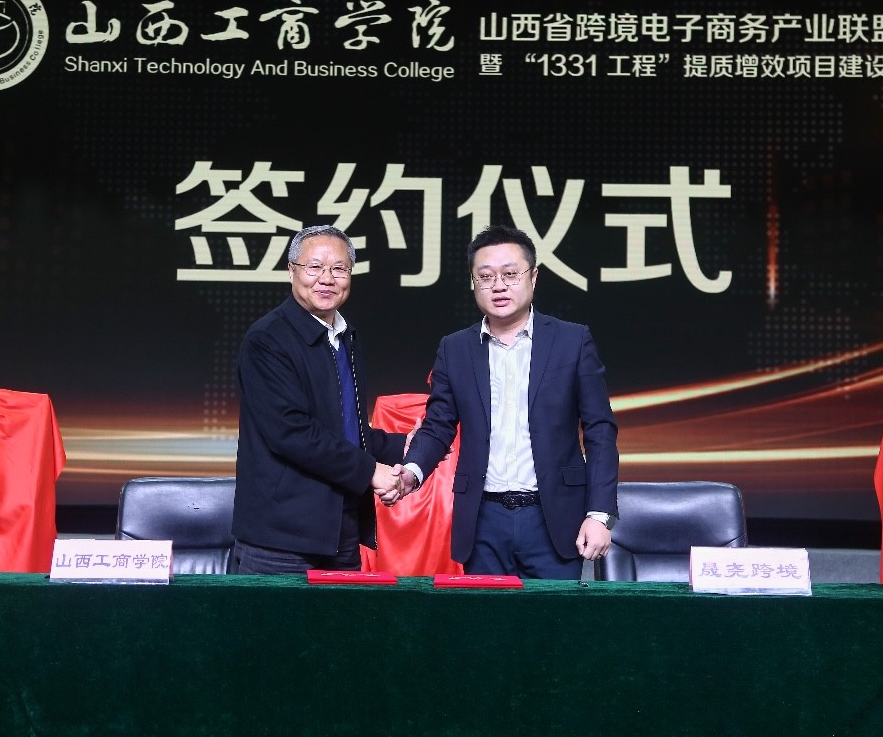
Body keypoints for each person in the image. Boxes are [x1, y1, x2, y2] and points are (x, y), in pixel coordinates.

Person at [396, 225, 619, 579]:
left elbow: (600, 431)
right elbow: (438, 425)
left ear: (533, 277)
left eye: (510, 274)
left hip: (553, 517)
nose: (498, 285)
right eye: (486, 276)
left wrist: (599, 514)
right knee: (485, 615)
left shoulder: (572, 341)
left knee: (553, 616)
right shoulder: (454, 348)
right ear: (473, 283)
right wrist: (412, 471)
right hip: (483, 519)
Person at [232, 225, 407, 574]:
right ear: (291, 271)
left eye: (339, 268)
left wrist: (404, 446)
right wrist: (371, 471)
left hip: (340, 531)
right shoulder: (267, 339)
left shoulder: (344, 336)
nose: (326, 279)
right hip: (281, 538)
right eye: (314, 267)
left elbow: (344, 430)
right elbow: (292, 432)